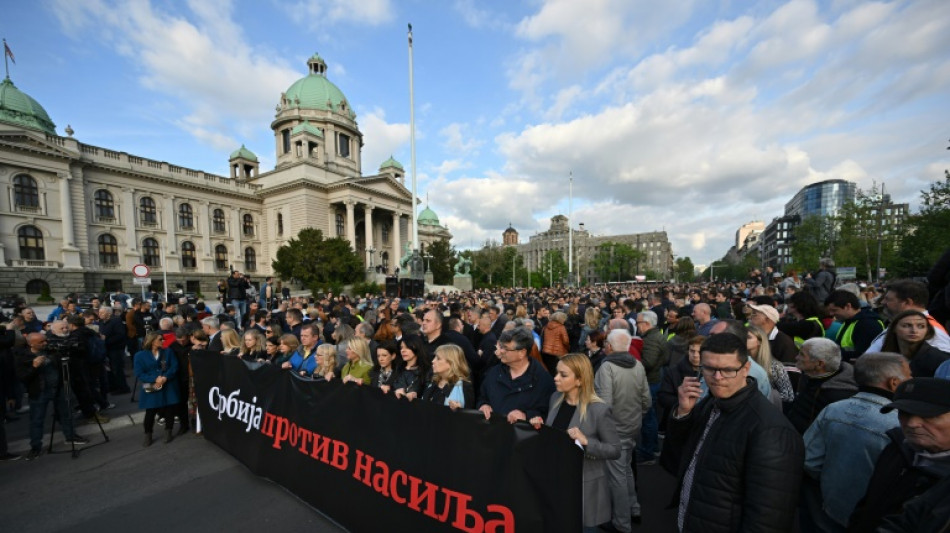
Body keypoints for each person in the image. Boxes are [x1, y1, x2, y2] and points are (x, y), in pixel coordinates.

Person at [663, 333, 804, 532]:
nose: (717, 378)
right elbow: (679, 459)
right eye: (710, 369)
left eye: (728, 370)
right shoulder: (710, 404)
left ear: (746, 369)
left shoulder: (771, 430)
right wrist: (683, 413)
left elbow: (768, 517)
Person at [801, 352, 910, 532]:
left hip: (829, 510)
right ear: (894, 382)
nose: (912, 378)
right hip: (874, 520)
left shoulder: (833, 410)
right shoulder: (901, 425)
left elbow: (810, 460)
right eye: (909, 375)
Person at [848, 377, 950, 531]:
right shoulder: (898, 447)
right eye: (905, 413)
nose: (912, 424)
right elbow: (868, 503)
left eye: (929, 415)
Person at [533, 353, 620, 532]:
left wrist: (587, 441)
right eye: (556, 373)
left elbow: (615, 450)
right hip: (555, 481)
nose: (556, 378)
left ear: (579, 380)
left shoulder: (598, 410)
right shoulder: (555, 399)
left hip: (583, 488)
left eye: (563, 375)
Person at [594, 329, 652, 531]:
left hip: (614, 429)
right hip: (632, 425)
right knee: (626, 470)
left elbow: (604, 403)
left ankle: (622, 523)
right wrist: (636, 418)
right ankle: (633, 508)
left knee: (616, 476)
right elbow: (646, 400)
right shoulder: (637, 364)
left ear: (609, 346)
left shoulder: (607, 367)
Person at [15, 332, 88, 460]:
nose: (45, 344)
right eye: (41, 342)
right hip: (39, 391)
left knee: (66, 413)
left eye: (45, 341)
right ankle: (36, 446)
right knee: (37, 420)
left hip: (58, 387)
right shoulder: (22, 357)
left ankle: (70, 435)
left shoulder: (52, 351)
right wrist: (34, 367)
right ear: (31, 344)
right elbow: (23, 377)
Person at [478, 327, 555, 424]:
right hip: (492, 433)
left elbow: (547, 413)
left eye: (506, 348)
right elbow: (482, 396)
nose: (501, 351)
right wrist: (483, 405)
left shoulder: (543, 381)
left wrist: (526, 415)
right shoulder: (494, 372)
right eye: (501, 347)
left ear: (522, 353)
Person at [786, 337, 858, 434]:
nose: (796, 357)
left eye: (802, 355)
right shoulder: (811, 375)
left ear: (819, 364)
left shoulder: (837, 394)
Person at [865, 279, 950, 354]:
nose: (883, 302)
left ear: (907, 302)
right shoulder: (902, 323)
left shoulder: (932, 331)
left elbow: (941, 365)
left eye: (888, 299)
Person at [634, 310, 669, 465]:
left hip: (650, 382)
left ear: (646, 324)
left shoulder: (651, 340)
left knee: (648, 418)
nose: (636, 326)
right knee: (650, 417)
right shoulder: (654, 336)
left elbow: (648, 363)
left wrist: (632, 363)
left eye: (638, 323)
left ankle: (648, 452)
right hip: (654, 380)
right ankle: (652, 448)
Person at [134, 331, 180, 446]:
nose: (163, 341)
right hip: (152, 385)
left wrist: (165, 377)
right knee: (150, 411)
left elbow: (174, 366)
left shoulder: (168, 351)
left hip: (168, 384)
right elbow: (139, 373)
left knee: (170, 409)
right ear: (152, 341)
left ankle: (168, 431)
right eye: (160, 339)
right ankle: (148, 434)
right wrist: (155, 378)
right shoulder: (139, 355)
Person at [880, 310, 950, 377]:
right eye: (906, 325)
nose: (914, 330)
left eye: (921, 326)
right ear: (894, 328)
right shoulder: (886, 354)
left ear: (927, 330)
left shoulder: (939, 359)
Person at [825, 290, 884, 362]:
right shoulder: (849, 321)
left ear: (848, 306)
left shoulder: (868, 324)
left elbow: (864, 355)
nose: (831, 314)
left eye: (834, 310)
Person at [746, 325, 794, 403]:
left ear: (759, 341)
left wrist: (765, 395)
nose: (743, 339)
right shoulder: (740, 363)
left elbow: (788, 396)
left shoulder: (775, 366)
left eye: (748, 337)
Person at [421, 344, 474, 410]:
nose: (433, 361)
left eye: (438, 358)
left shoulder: (464, 387)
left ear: (451, 363)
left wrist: (459, 409)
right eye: (434, 357)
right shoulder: (432, 381)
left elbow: (469, 414)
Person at [392, 335, 431, 400]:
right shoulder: (398, 367)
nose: (403, 351)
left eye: (407, 347)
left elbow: (427, 393)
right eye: (401, 348)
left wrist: (415, 394)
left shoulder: (426, 370)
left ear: (416, 347)